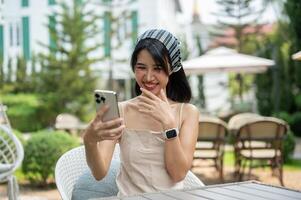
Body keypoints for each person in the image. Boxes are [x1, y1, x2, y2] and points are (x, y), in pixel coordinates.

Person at [83, 29, 200, 197]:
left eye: (158, 68)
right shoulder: (120, 111)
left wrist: (168, 124)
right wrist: (89, 140)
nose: (148, 76)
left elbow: (178, 174)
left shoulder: (187, 113)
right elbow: (99, 173)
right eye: (141, 67)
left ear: (172, 69)